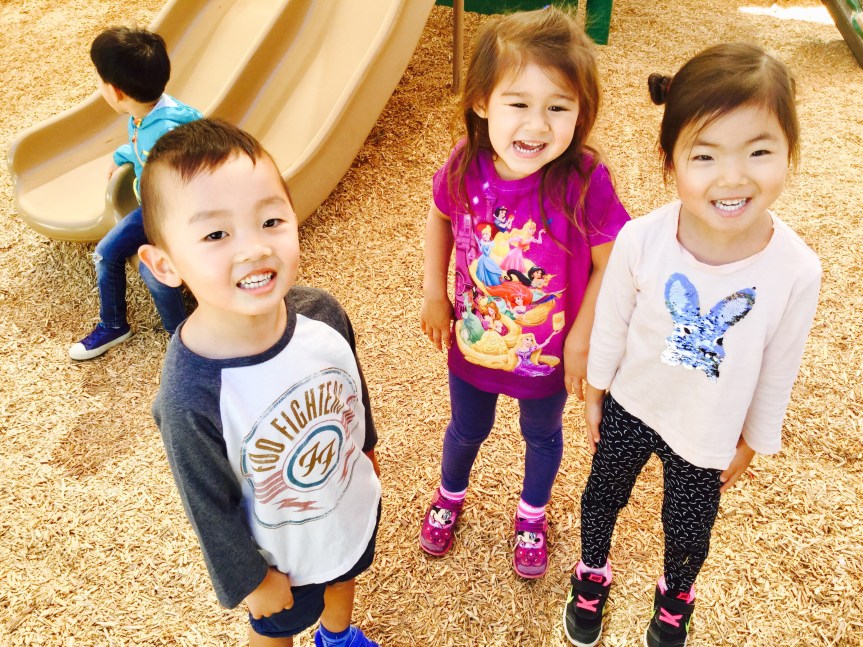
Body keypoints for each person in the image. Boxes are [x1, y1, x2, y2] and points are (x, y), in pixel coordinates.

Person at [562, 44, 821, 647]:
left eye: (758, 151)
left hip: (708, 427)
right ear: (670, 160)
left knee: (688, 530)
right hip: (633, 403)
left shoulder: (796, 270)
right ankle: (592, 572)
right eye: (705, 155)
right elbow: (613, 320)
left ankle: (675, 598)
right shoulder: (641, 239)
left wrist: (754, 439)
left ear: (790, 151)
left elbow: (778, 366)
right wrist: (597, 388)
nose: (733, 177)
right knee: (601, 498)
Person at [137, 119, 381, 647]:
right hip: (279, 559)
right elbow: (207, 503)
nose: (253, 248)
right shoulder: (189, 393)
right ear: (165, 264)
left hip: (345, 508)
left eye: (270, 220)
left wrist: (367, 451)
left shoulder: (323, 313)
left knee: (345, 573)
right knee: (275, 632)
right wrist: (250, 579)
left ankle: (338, 637)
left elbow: (349, 390)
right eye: (216, 234)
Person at [419, 6, 629, 579]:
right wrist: (433, 291)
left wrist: (582, 338)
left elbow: (614, 263)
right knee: (466, 427)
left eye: (558, 107)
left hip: (546, 354)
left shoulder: (585, 180)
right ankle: (450, 494)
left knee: (542, 433)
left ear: (581, 112)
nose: (537, 127)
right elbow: (440, 215)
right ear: (481, 102)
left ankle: (532, 514)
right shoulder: (465, 165)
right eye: (519, 104)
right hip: (475, 340)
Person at [68, 27, 202, 361]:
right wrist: (122, 155)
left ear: (115, 91)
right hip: (154, 210)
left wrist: (166, 239)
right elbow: (143, 148)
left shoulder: (170, 132)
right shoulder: (145, 114)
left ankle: (181, 338)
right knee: (105, 253)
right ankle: (114, 324)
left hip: (179, 217)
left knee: (152, 270)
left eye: (99, 80)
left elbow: (189, 185)